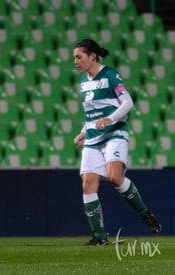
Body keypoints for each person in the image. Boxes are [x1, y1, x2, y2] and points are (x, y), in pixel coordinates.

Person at [72, 39, 161, 245]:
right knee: (87, 185)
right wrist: (83, 131)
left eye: (79, 57)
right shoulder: (84, 82)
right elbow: (91, 113)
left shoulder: (110, 75)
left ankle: (145, 213)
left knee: (114, 177)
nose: (76, 61)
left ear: (92, 56)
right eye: (75, 58)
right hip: (93, 138)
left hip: (114, 134)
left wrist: (110, 119)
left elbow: (128, 103)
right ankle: (100, 237)